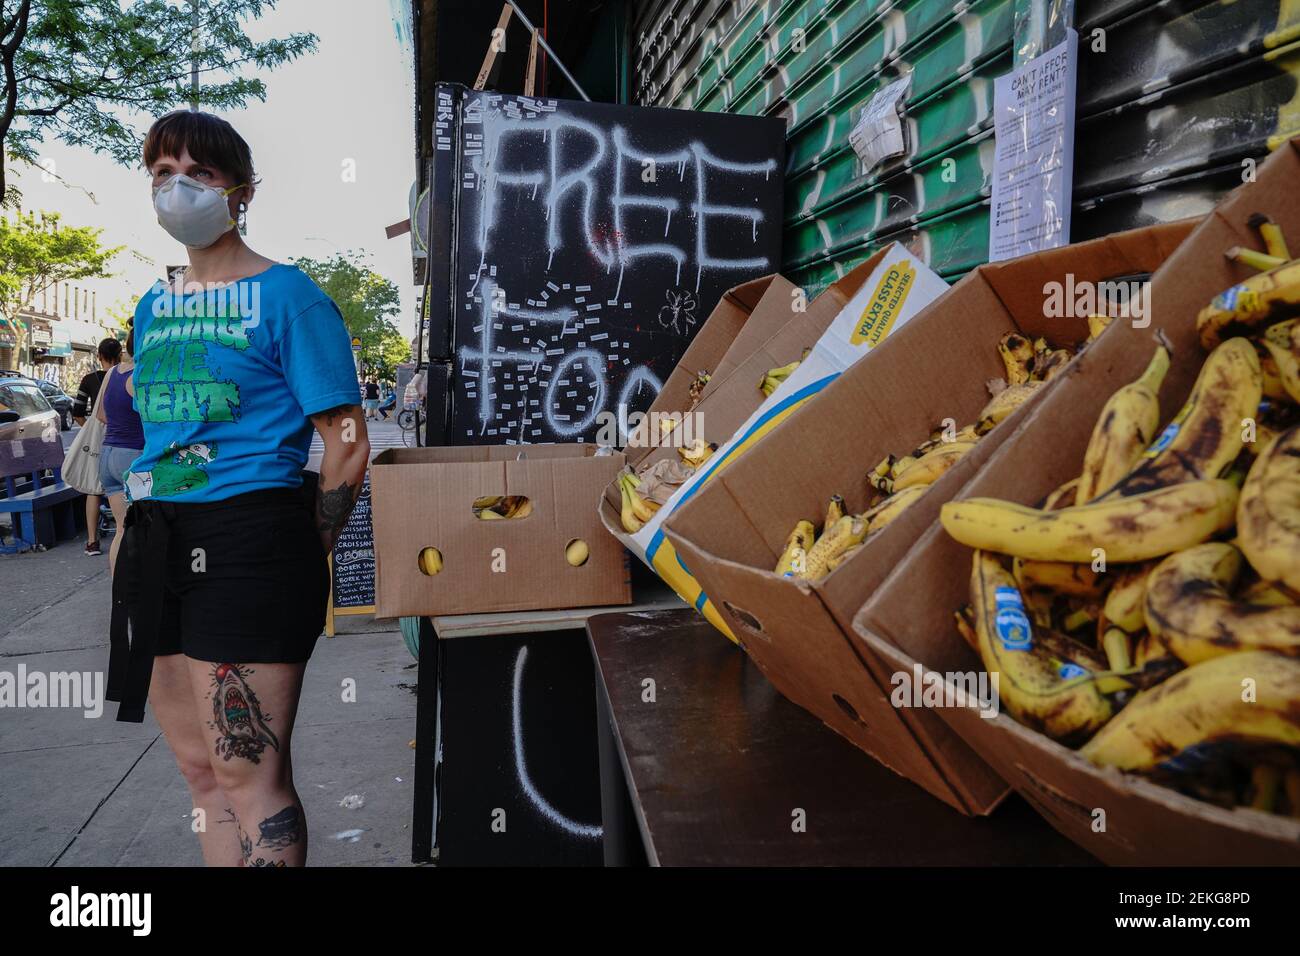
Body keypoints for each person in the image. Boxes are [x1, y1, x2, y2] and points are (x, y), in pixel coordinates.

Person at [106, 110, 369, 868]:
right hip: (154, 541)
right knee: (200, 777)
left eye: (200, 173)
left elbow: (346, 445)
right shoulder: (156, 307)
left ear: (240, 192)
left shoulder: (290, 296)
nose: (177, 187)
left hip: (251, 539)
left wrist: (295, 541)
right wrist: (128, 539)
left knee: (247, 775)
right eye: (161, 173)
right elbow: (163, 445)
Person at [95, 330, 144, 574]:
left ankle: (119, 597)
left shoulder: (112, 372)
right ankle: (140, 595)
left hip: (108, 455)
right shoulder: (141, 375)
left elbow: (101, 415)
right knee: (143, 529)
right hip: (133, 456)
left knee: (122, 531)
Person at [72, 337, 123, 555]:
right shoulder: (125, 375)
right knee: (121, 488)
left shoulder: (89, 380)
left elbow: (77, 412)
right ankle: (123, 537)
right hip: (122, 439)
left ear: (99, 356)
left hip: (97, 443)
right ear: (120, 355)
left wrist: (90, 431)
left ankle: (92, 541)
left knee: (93, 490)